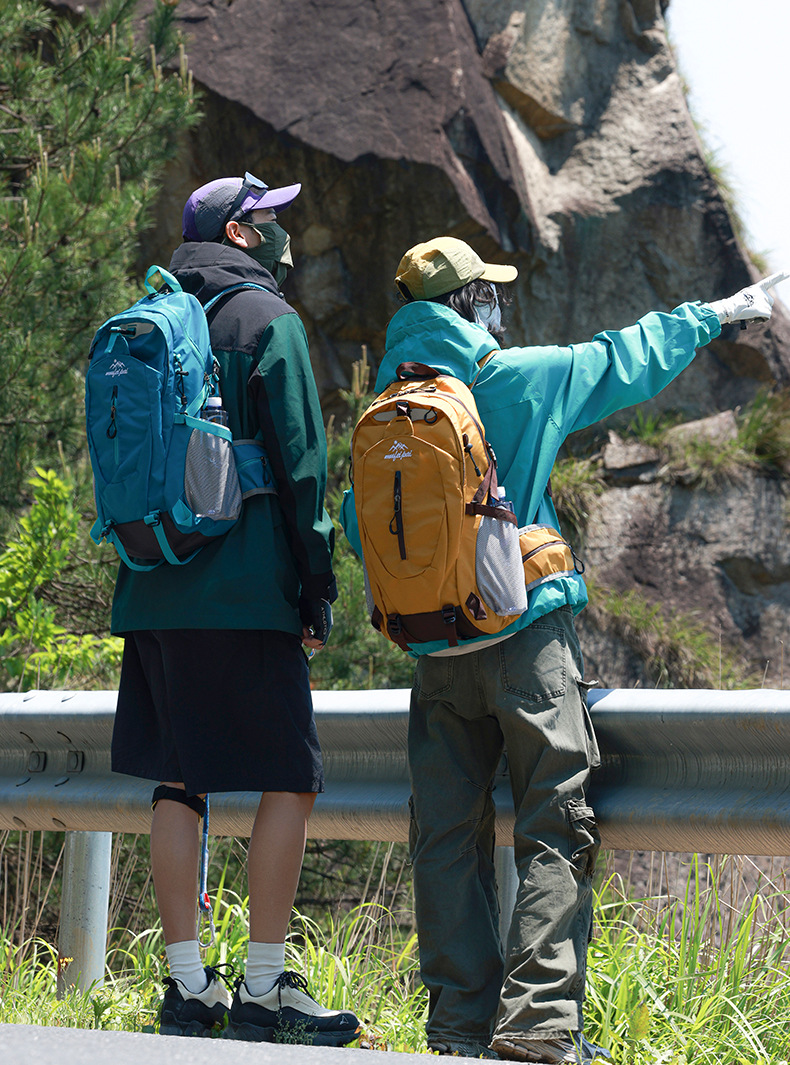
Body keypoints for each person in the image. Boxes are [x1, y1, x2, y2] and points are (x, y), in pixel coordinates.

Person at [340, 236, 785, 1063]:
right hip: (524, 640)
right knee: (554, 819)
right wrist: (716, 315)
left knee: (445, 836)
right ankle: (539, 1023)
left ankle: (457, 1030)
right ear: (470, 303)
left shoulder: (386, 408)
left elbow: (354, 524)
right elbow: (622, 359)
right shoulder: (516, 379)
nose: (498, 306)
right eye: (489, 294)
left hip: (434, 652)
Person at [109, 172, 360, 1045]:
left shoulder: (150, 318)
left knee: (180, 780)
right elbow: (302, 469)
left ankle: (188, 986)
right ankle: (264, 986)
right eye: (267, 218)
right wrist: (316, 587)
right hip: (244, 593)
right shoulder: (267, 321)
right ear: (239, 234)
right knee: (291, 775)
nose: (280, 230)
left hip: (152, 586)